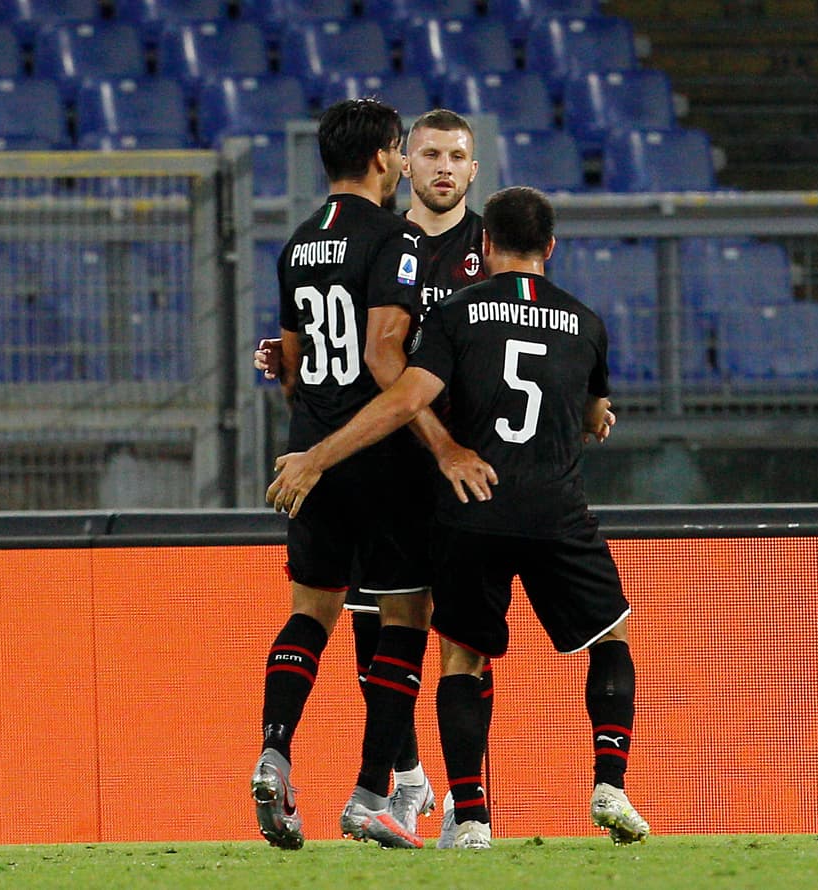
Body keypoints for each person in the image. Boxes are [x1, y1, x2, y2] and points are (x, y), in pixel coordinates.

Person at [266, 186, 651, 850]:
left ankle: (470, 818)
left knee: (459, 659)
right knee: (611, 638)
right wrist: (594, 418)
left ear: (485, 246)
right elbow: (593, 416)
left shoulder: (459, 315)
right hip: (557, 511)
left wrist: (317, 458)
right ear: (550, 249)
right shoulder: (587, 321)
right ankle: (610, 783)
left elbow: (404, 400)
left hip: (470, 504)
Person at [251, 97, 486, 852]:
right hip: (380, 454)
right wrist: (441, 439)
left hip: (306, 454)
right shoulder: (398, 238)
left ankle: (275, 751)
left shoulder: (294, 244)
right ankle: (368, 792)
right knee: (404, 620)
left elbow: (288, 364)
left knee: (309, 613)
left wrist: (309, 428)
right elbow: (388, 356)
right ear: (389, 158)